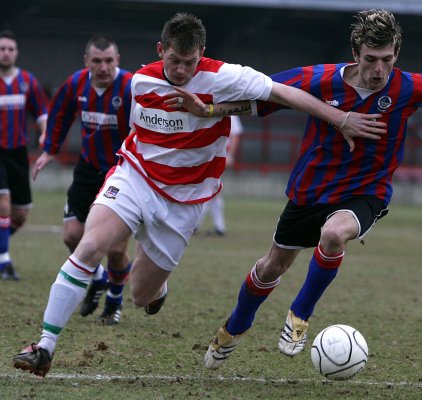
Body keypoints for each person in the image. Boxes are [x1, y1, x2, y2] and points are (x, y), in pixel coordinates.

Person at [12, 12, 385, 377]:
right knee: (89, 245)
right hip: (135, 177)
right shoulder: (140, 82)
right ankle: (44, 345)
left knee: (141, 295)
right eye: (174, 61)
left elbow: (286, 93)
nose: (181, 71)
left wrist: (340, 119)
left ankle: (157, 285)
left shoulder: (226, 76)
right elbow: (133, 134)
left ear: (201, 54)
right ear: (161, 50)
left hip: (184, 201)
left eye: (189, 63)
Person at [167, 9, 422, 369]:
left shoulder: (409, 86)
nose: (379, 70)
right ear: (356, 53)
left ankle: (299, 316)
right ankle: (233, 329)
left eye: (387, 60)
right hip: (310, 190)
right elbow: (262, 98)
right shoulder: (320, 80)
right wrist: (210, 110)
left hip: (366, 191)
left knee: (334, 234)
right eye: (371, 59)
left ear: (397, 55)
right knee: (270, 268)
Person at [32, 34, 133, 325]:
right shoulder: (76, 83)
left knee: (115, 249)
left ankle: (114, 302)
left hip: (121, 174)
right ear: (86, 61)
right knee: (72, 236)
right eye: (97, 61)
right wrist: (49, 149)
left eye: (109, 61)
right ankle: (98, 277)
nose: (103, 67)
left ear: (118, 61)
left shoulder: (130, 87)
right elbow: (60, 114)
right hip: (88, 169)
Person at [0, 30, 48, 281]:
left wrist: (44, 134)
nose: (6, 53)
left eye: (10, 48)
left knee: (20, 215)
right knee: (3, 203)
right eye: (2, 48)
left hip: (18, 154)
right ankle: (4, 263)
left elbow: (41, 113)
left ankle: (1, 249)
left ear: (16, 52)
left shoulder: (27, 81)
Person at [196, 115, 244, 236]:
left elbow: (235, 135)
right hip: (211, 155)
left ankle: (196, 225)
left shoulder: (230, 112)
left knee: (209, 188)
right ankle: (219, 227)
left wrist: (231, 155)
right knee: (213, 190)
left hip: (218, 155)